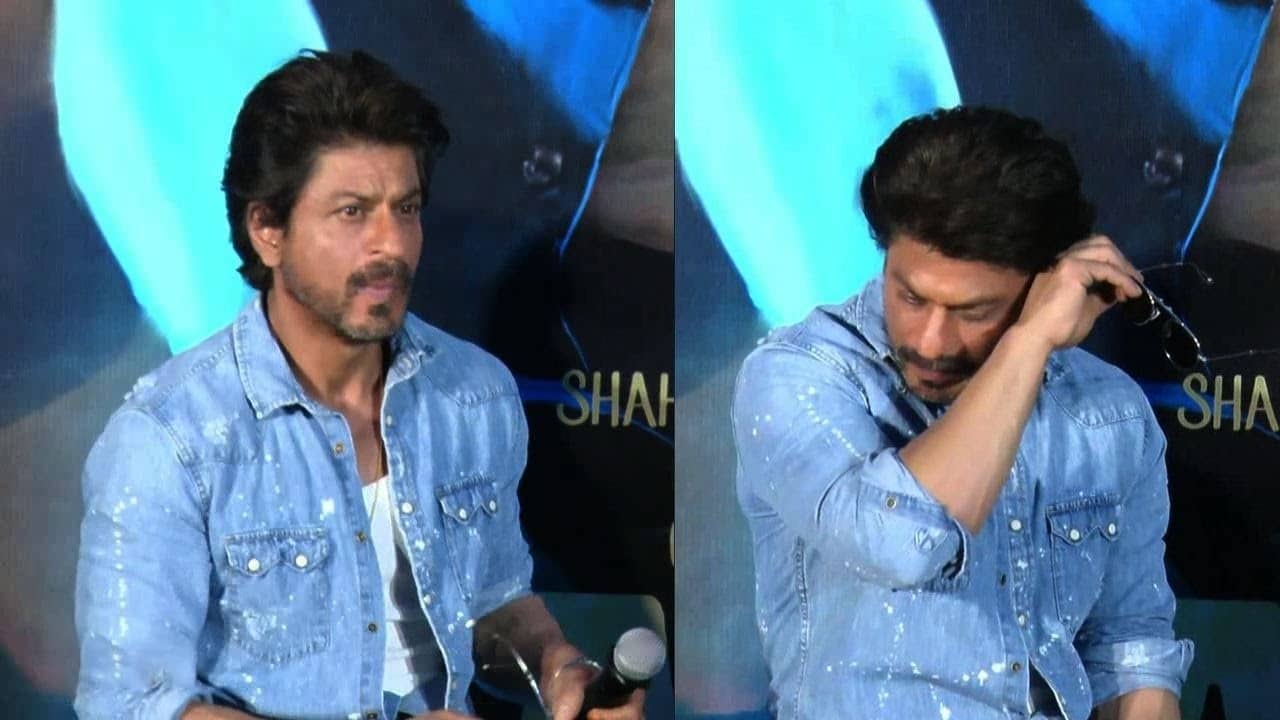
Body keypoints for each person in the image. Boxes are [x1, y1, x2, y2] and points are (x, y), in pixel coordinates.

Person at [73, 50, 644, 720]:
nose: (391, 245)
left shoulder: (474, 394)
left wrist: (556, 666)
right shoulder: (168, 438)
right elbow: (129, 702)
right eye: (352, 212)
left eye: (407, 208)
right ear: (267, 230)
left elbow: (494, 604)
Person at [732, 106, 1194, 719]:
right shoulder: (798, 375)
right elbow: (899, 545)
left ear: (1044, 287)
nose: (930, 341)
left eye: (973, 311)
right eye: (911, 296)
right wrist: (1027, 342)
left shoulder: (1110, 416)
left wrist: (1027, 346)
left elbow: (1129, 645)